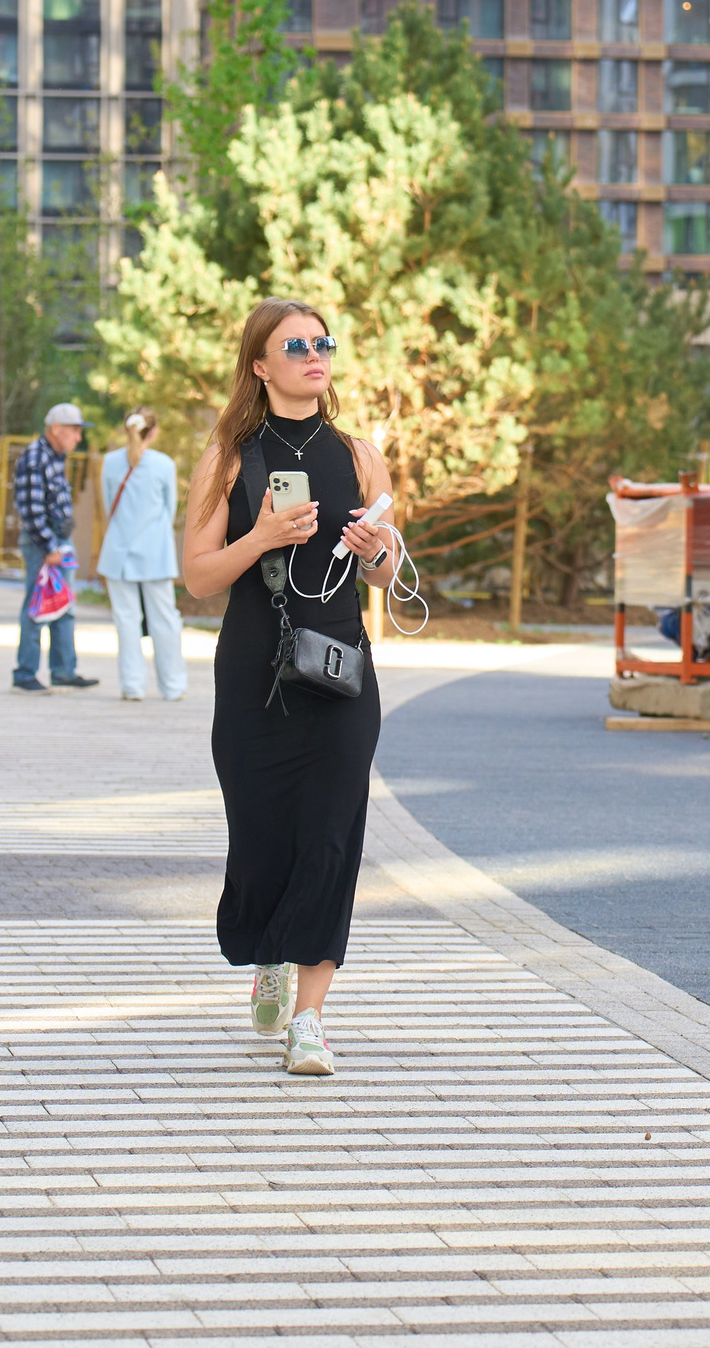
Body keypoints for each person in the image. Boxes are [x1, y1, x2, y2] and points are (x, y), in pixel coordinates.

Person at [182, 299, 403, 1077]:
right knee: (263, 837)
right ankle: (267, 954)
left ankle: (309, 1017)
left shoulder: (359, 453)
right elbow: (198, 575)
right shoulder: (230, 457)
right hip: (253, 677)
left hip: (341, 672)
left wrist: (378, 552)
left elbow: (385, 576)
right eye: (295, 345)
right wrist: (263, 536)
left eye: (323, 342)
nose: (315, 354)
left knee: (331, 838)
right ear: (260, 365)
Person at [99, 408, 188, 702]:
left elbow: (107, 505)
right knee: (165, 621)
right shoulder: (164, 465)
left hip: (118, 553)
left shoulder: (109, 463)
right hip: (155, 553)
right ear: (153, 432)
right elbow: (168, 508)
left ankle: (132, 686)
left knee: (126, 621)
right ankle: (173, 686)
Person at [12, 402, 99, 693]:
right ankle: (25, 675)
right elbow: (31, 510)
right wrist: (50, 546)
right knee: (38, 607)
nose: (78, 438)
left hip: (58, 543)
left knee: (63, 606)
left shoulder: (54, 457)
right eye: (75, 431)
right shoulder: (35, 458)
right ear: (56, 429)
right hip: (45, 546)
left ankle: (63, 671)